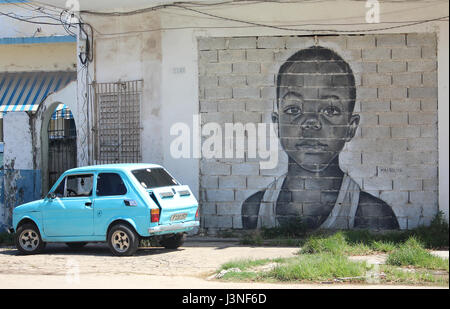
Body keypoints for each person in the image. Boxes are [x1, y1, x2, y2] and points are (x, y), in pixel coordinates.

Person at [241, 46, 399, 230]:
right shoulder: (254, 208)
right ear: (277, 124)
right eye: (294, 110)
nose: (311, 122)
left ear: (350, 126)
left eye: (330, 110)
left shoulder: (373, 214)